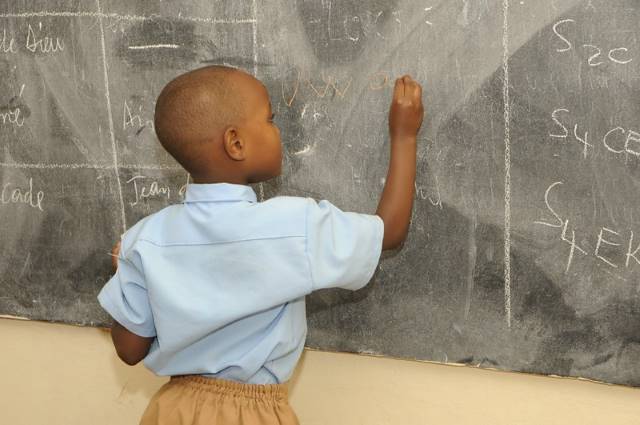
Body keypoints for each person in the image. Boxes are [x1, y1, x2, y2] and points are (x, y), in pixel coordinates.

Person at [98, 65, 423, 425]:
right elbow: (389, 232)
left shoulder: (144, 240)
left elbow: (129, 350)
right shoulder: (292, 226)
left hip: (172, 411)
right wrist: (404, 135)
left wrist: (124, 270)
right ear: (235, 143)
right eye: (270, 120)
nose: (278, 130)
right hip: (252, 414)